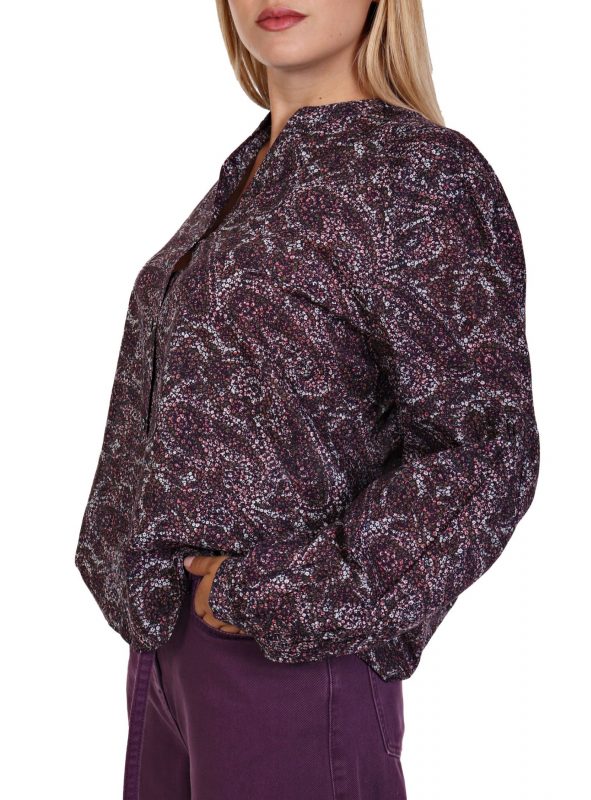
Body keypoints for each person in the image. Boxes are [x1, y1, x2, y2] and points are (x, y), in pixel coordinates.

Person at [74, 1, 540, 798]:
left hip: (288, 663)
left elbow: (487, 450)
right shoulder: (253, 171)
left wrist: (280, 593)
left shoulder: (414, 172)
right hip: (168, 653)